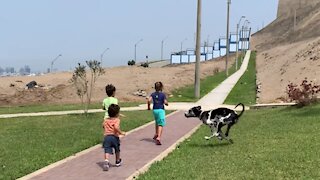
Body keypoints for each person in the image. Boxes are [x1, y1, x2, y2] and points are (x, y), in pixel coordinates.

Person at [102, 104, 126, 171]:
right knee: (117, 149)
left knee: (107, 149)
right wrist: (121, 132)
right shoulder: (117, 120)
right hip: (114, 137)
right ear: (117, 113)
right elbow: (116, 127)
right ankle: (117, 161)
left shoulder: (106, 120)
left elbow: (103, 126)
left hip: (107, 137)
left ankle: (106, 161)